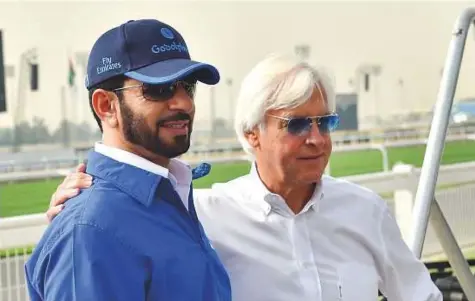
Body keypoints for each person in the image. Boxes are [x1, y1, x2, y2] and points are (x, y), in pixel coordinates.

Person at [47, 53, 442, 301]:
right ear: (252, 133)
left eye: (326, 122)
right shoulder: (202, 218)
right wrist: (71, 209)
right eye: (298, 124)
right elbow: (129, 224)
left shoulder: (365, 211)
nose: (317, 139)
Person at [25, 19, 231, 301]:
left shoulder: (170, 196)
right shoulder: (90, 230)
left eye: (188, 86)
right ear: (106, 106)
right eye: (159, 89)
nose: (184, 103)